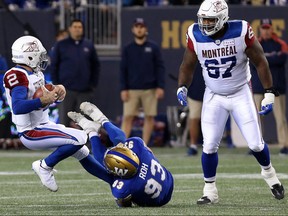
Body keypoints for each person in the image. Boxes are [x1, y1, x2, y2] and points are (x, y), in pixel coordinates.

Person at [176, 0, 284, 204]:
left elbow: (260, 61)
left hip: (240, 92)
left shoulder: (240, 31)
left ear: (222, 19)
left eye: (209, 20)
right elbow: (187, 64)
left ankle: (270, 176)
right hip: (214, 95)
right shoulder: (195, 34)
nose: (204, 24)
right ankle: (210, 191)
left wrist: (269, 92)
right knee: (208, 146)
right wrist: (182, 85)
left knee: (255, 144)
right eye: (202, 20)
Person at [2, 35, 109, 193]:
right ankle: (44, 165)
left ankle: (113, 182)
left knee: (82, 150)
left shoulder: (35, 73)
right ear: (28, 55)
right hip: (30, 131)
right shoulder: (18, 75)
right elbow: (18, 107)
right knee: (80, 138)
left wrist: (57, 92)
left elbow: (44, 99)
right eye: (39, 54)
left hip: (43, 125)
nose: (42, 58)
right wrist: (43, 100)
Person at [67, 101, 174, 207]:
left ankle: (94, 128)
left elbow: (123, 205)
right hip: (168, 181)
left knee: (111, 175)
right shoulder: (138, 147)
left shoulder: (137, 146)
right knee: (119, 150)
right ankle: (96, 125)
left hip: (160, 198)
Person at [120, 17, 165, 145]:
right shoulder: (128, 49)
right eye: (137, 27)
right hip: (132, 89)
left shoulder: (153, 48)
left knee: (149, 117)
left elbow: (160, 68)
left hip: (150, 89)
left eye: (141, 27)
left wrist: (160, 86)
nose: (139, 29)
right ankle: (121, 145)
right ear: (133, 29)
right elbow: (123, 69)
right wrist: (123, 88)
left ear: (145, 29)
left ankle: (144, 146)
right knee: (128, 117)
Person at [50, 19, 100, 127]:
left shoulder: (88, 45)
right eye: (75, 27)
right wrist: (57, 85)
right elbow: (54, 66)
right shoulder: (61, 45)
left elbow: (96, 66)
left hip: (85, 91)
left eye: (80, 27)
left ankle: (86, 144)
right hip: (66, 91)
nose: (77, 29)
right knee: (64, 121)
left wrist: (92, 85)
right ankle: (64, 144)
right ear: (70, 29)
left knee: (86, 123)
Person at [251, 18, 288, 155]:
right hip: (259, 86)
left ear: (272, 29)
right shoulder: (255, 43)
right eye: (263, 28)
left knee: (280, 118)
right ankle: (257, 146)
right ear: (260, 29)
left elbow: (282, 59)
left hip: (276, 87)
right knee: (256, 118)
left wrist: (263, 59)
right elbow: (253, 61)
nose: (266, 31)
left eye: (268, 28)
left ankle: (285, 145)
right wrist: (269, 58)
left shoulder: (280, 43)